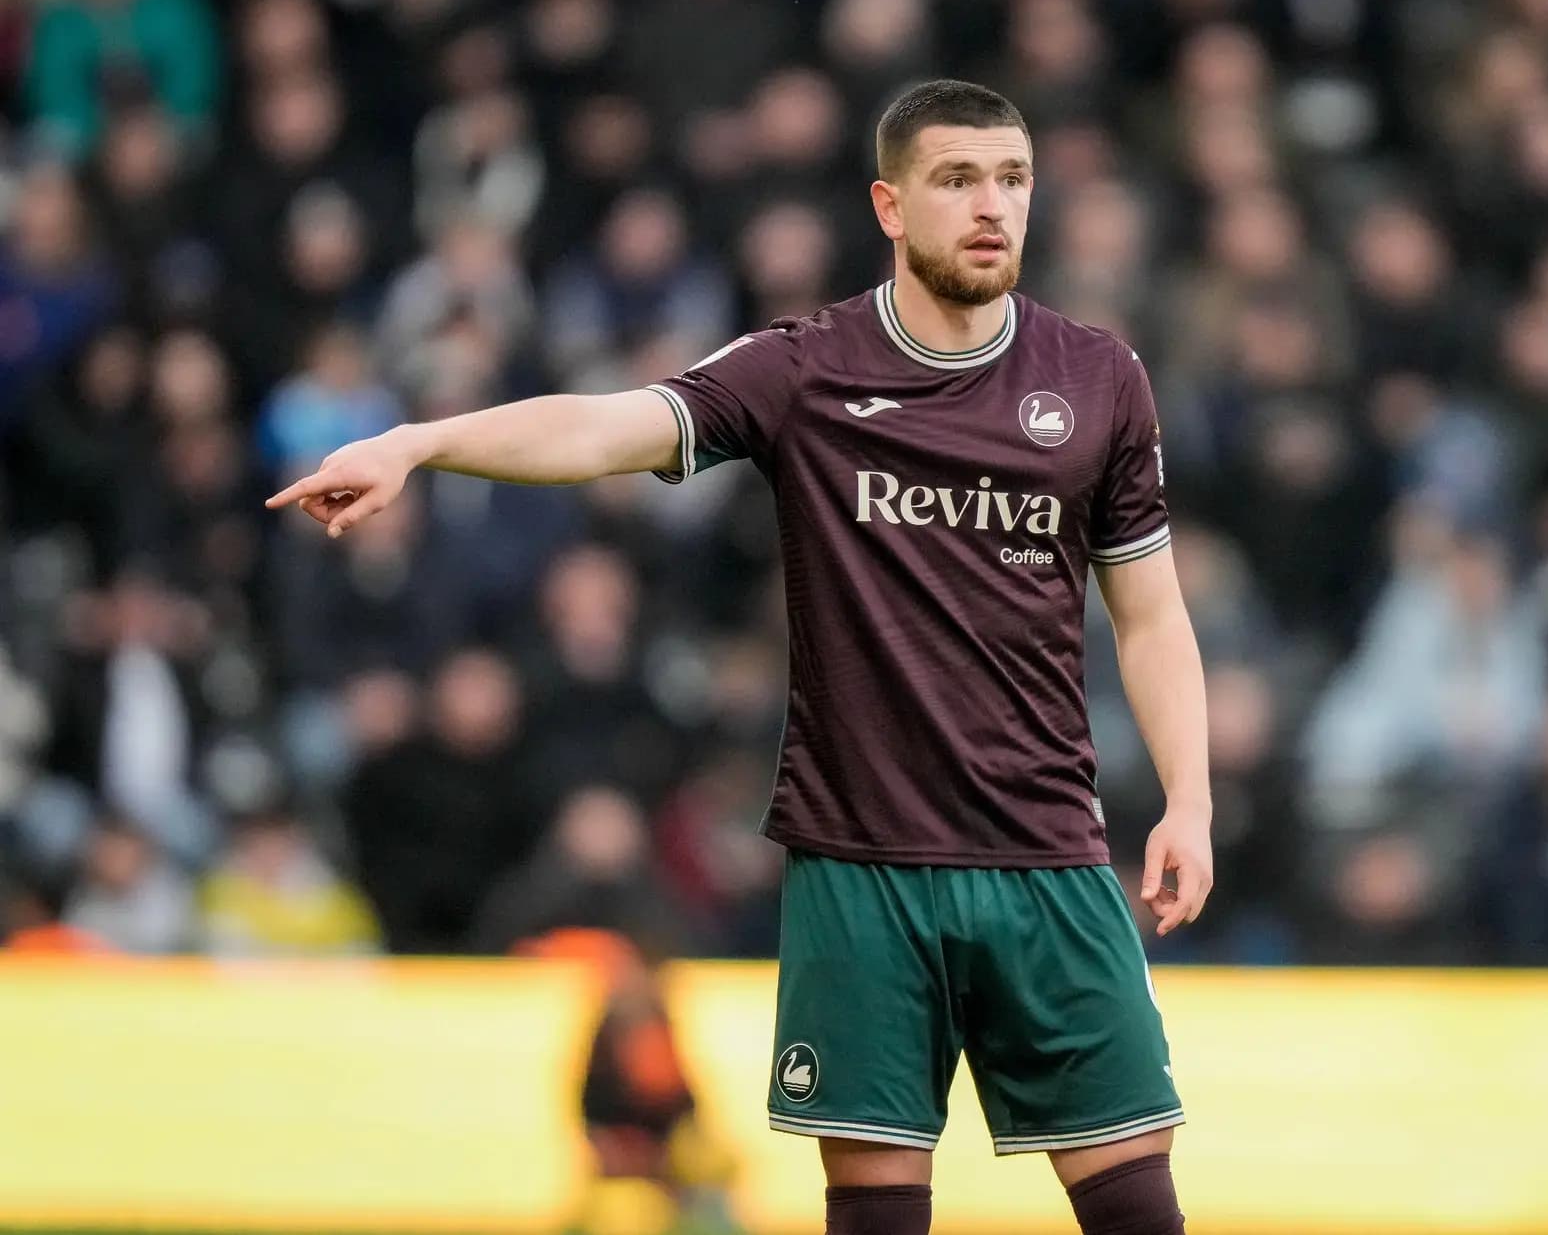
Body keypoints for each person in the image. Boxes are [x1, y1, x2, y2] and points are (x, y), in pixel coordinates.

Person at [268, 80, 1211, 1235]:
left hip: (1048, 860)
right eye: (956, 179)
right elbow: (604, 427)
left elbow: (1152, 616)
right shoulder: (805, 369)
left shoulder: (1098, 379)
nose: (990, 206)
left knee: (1138, 1212)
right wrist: (422, 442)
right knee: (874, 1213)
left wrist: (1190, 800)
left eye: (1011, 180)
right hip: (861, 867)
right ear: (889, 204)